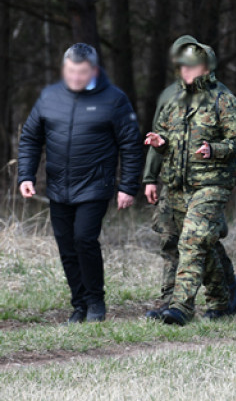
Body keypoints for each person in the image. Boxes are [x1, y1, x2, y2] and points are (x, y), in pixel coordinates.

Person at [17, 43, 143, 323]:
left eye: (82, 72)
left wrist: (127, 186)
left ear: (94, 70)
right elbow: (30, 137)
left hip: (95, 184)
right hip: (59, 186)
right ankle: (80, 305)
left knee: (84, 239)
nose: (75, 78)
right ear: (65, 69)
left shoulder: (114, 99)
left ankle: (96, 302)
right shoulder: (49, 98)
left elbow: (131, 145)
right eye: (71, 71)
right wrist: (25, 175)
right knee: (66, 245)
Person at [144, 41, 236, 325]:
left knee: (193, 240)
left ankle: (181, 306)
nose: (187, 71)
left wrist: (214, 149)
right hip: (177, 183)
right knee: (198, 241)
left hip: (211, 184)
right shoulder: (174, 101)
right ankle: (223, 294)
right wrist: (160, 143)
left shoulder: (222, 99)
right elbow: (166, 138)